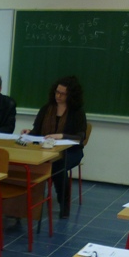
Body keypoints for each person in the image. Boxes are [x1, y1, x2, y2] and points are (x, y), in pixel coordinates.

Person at [21, 75, 87, 219]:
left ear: (71, 95)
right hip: (46, 150)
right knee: (28, 162)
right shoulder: (46, 109)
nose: (58, 96)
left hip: (71, 152)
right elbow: (37, 131)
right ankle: (23, 204)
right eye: (57, 92)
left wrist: (62, 136)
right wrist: (29, 133)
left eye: (63, 94)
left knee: (57, 166)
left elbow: (80, 137)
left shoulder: (77, 112)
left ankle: (64, 203)